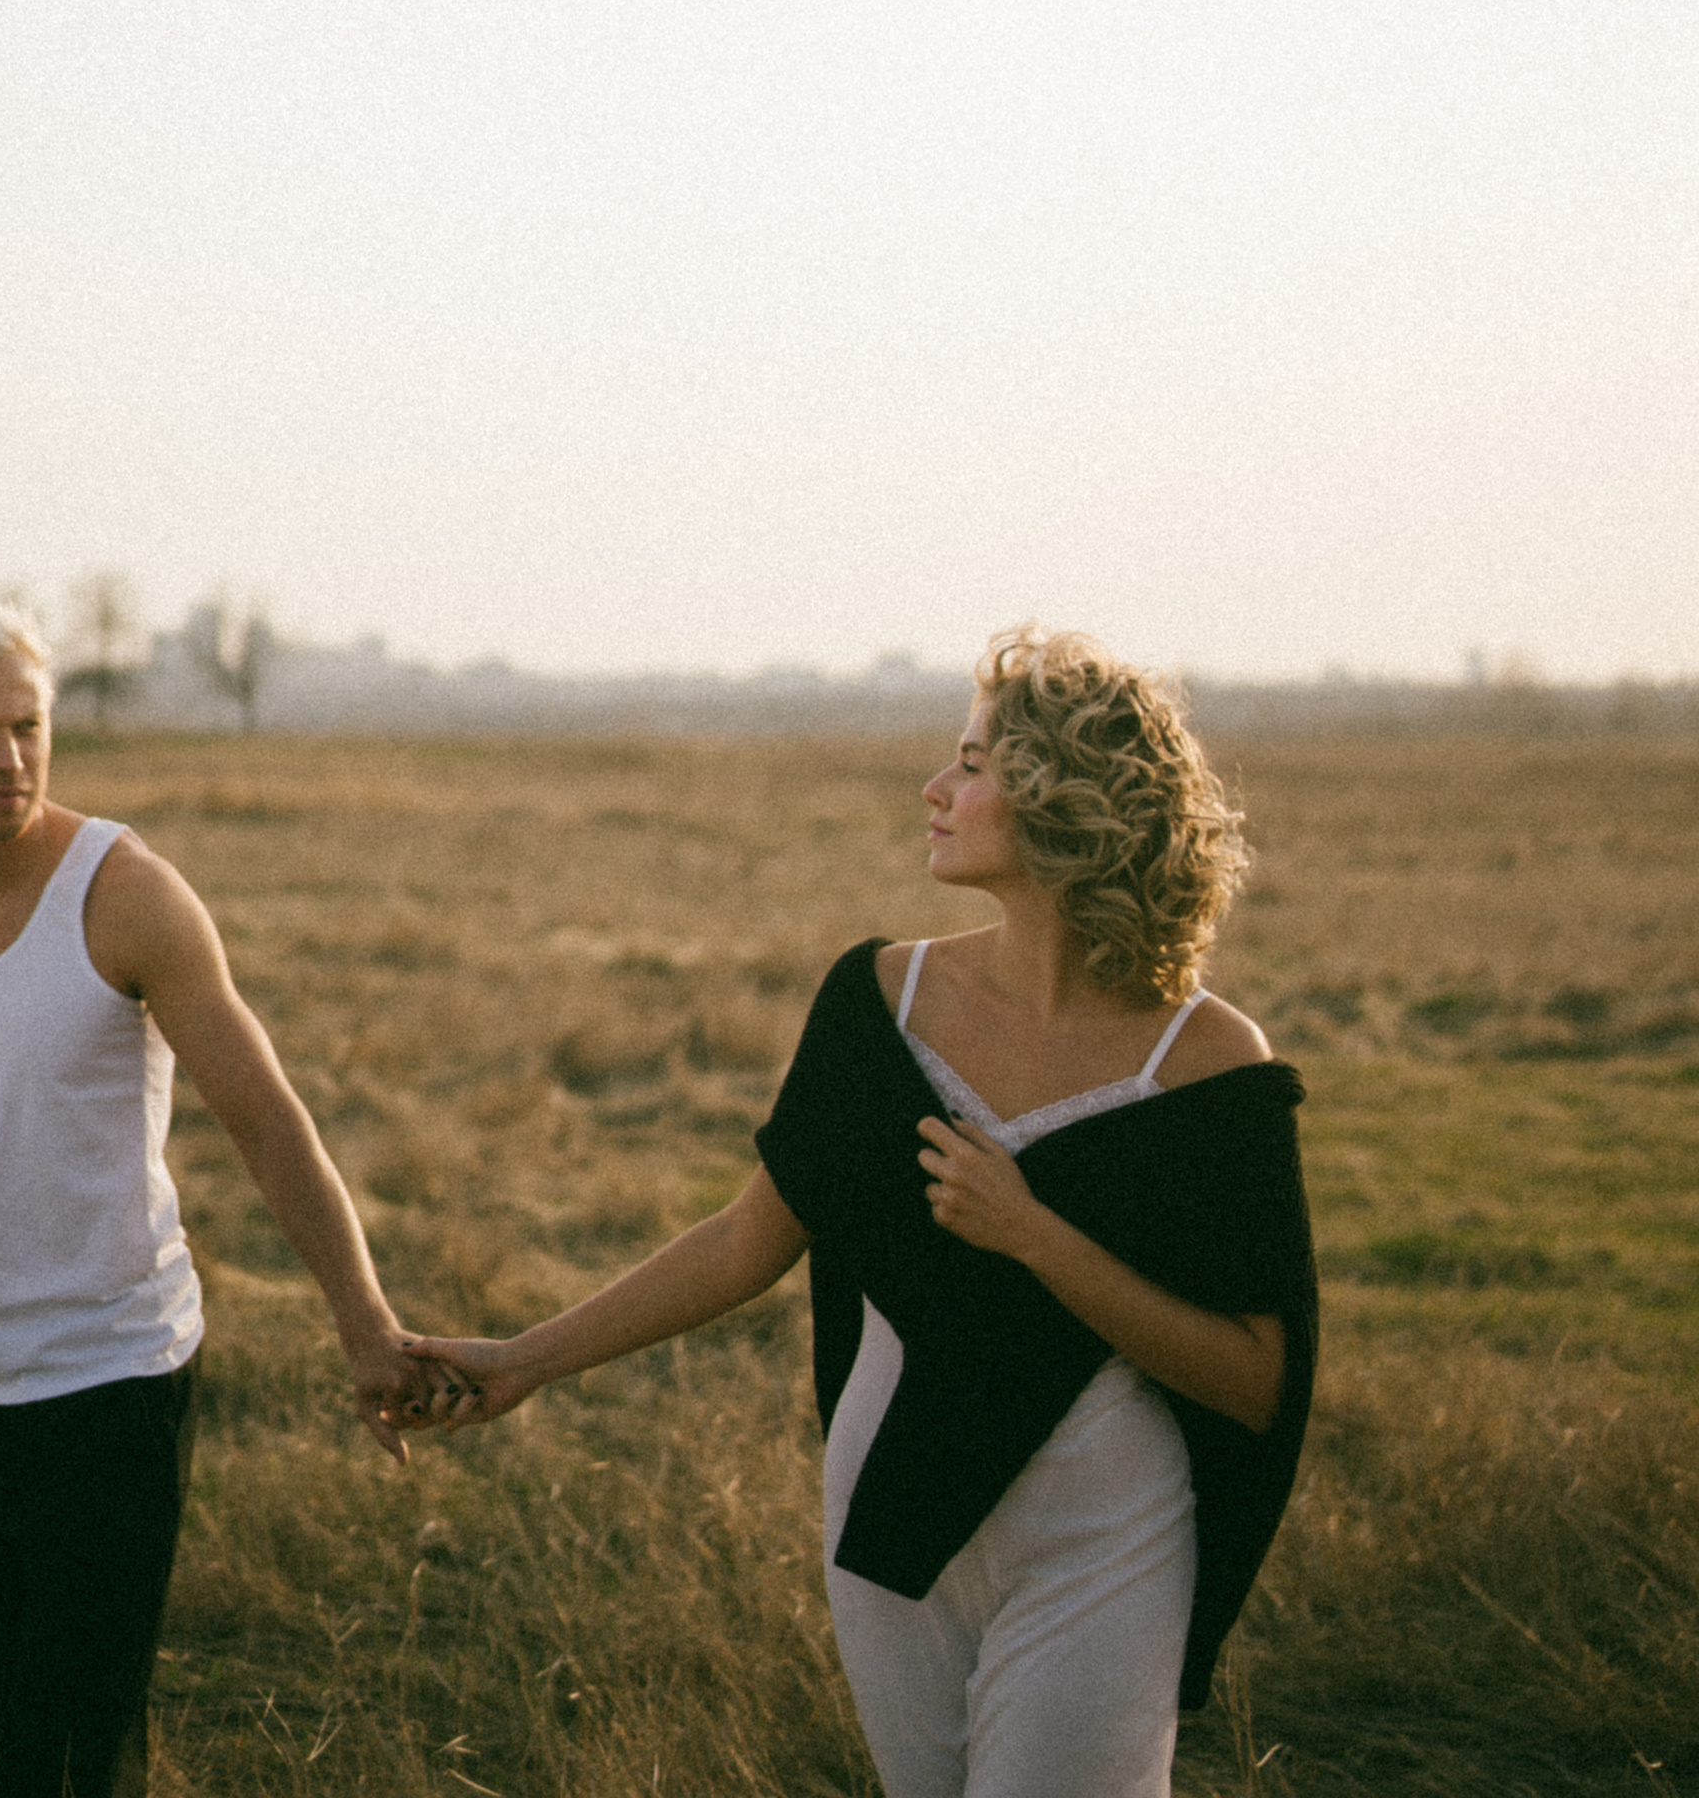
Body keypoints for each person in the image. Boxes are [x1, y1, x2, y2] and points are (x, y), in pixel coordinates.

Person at [406, 626, 1317, 1798]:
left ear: (1060, 803)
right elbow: (745, 1242)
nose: (935, 788)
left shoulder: (1206, 1065)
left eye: (974, 764)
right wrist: (523, 1360)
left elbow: (1254, 1376)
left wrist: (1033, 1234)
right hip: (889, 1510)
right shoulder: (878, 1004)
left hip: (1105, 1537)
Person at [0, 595, 444, 1798]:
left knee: (77, 1761)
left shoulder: (124, 894)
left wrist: (364, 1324)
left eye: (28, 726)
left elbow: (266, 1115)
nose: (9, 759)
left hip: (107, 1392)